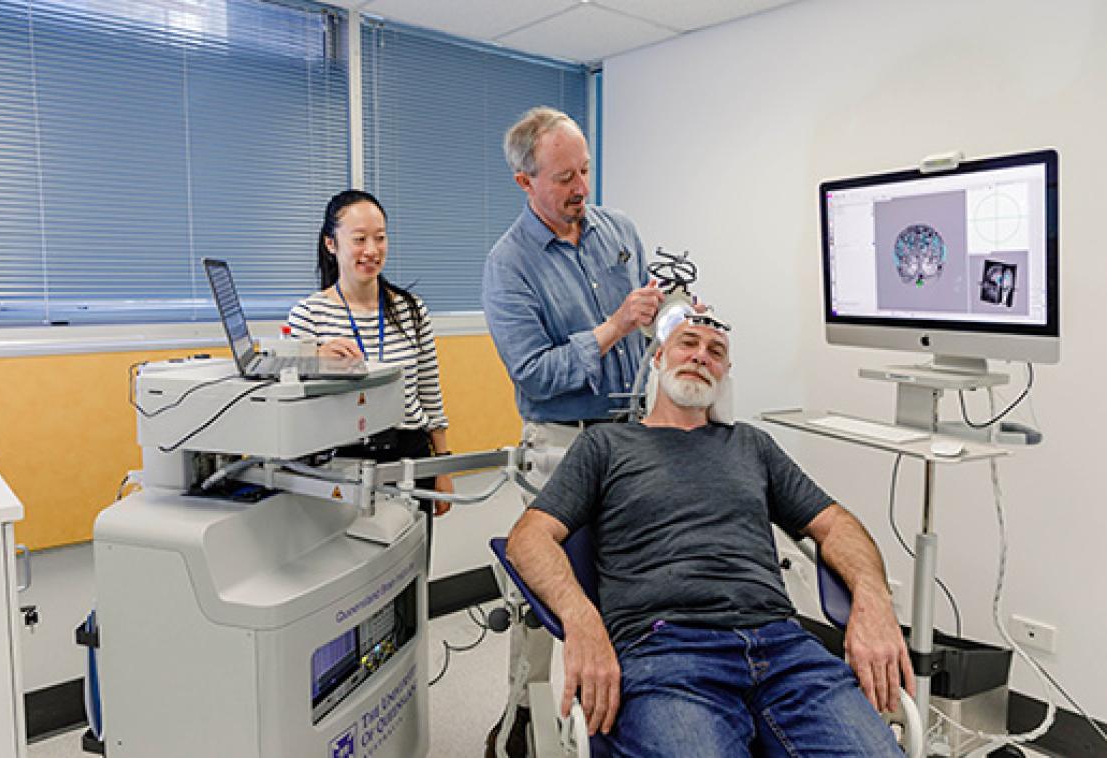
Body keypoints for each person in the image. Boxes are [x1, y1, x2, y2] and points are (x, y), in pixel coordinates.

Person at [505, 315, 915, 757]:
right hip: (666, 653)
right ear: (659, 357)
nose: (701, 356)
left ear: (725, 374)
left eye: (716, 352)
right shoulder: (606, 446)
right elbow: (529, 537)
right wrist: (582, 620)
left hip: (784, 648)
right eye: (688, 343)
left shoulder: (753, 446)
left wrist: (874, 601)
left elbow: (837, 524)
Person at [482, 105, 666, 757]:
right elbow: (534, 374)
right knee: (555, 595)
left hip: (631, 432)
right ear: (524, 182)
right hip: (561, 444)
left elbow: (646, 324)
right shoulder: (508, 266)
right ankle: (526, 716)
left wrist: (669, 325)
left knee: (625, 582)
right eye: (563, 177)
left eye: (585, 170)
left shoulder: (619, 231)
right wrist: (614, 326)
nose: (580, 188)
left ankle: (621, 715)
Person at [288, 189, 454, 552]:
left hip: (409, 454)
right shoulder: (309, 314)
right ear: (332, 244)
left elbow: (429, 390)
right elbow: (290, 390)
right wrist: (314, 357)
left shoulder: (412, 310)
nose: (371, 250)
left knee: (412, 569)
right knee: (347, 574)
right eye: (359, 239)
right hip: (342, 462)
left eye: (380, 238)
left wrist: (442, 464)